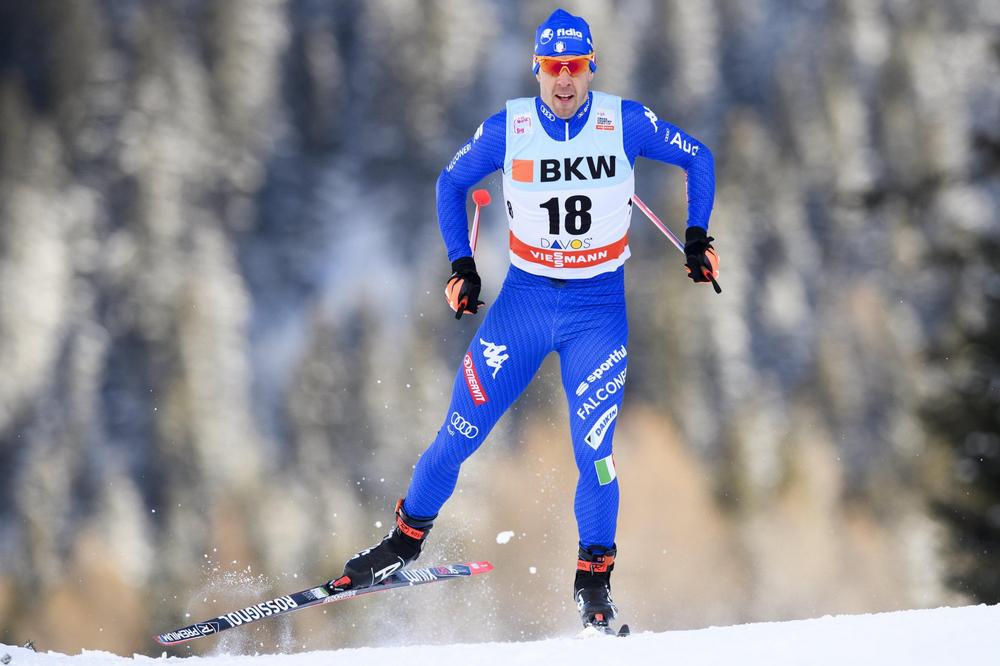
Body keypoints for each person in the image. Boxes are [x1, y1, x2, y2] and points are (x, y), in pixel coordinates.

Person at [330, 8, 717, 630]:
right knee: (458, 434)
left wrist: (696, 237)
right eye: (552, 68)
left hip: (597, 311)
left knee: (595, 454)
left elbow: (698, 157)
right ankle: (401, 545)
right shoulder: (508, 128)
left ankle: (595, 583)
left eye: (576, 68)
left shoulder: (625, 121)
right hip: (525, 305)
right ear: (537, 69)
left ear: (591, 69)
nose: (564, 81)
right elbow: (450, 182)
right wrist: (462, 266)